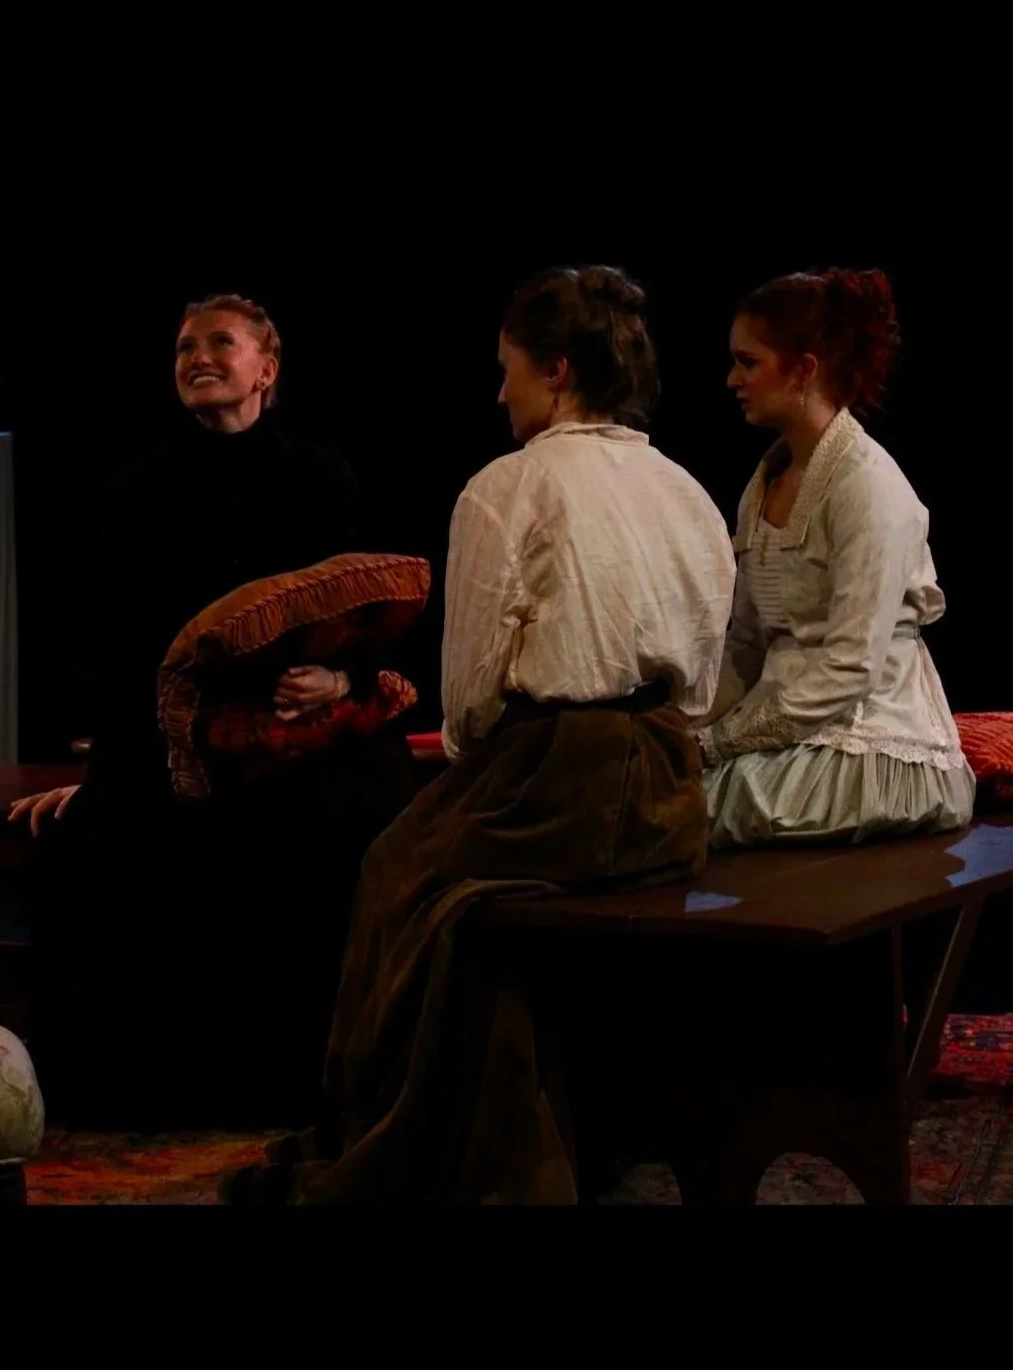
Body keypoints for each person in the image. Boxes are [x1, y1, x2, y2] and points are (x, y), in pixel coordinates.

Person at [225, 265, 736, 1204]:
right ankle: (526, 1132)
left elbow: (467, 698)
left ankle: (397, 1134)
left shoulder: (508, 486)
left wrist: (475, 767)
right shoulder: (685, 487)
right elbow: (707, 672)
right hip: (669, 784)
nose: (499, 392)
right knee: (464, 914)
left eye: (508, 371)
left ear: (557, 368)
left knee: (395, 875)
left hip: (553, 776)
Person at [9, 293, 417, 1126]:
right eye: (184, 347)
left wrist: (338, 685)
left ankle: (327, 1088)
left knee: (357, 824)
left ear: (265, 369)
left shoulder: (324, 478)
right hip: (181, 743)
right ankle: (153, 1097)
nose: (197, 356)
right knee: (104, 840)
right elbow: (118, 651)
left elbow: (369, 622)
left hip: (300, 742)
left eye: (219, 344)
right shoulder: (136, 490)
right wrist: (105, 775)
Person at [695, 267, 975, 847]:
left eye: (749, 362)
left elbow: (850, 666)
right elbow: (747, 642)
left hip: (869, 743)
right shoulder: (764, 483)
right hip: (783, 730)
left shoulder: (866, 485)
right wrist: (690, 726)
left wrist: (722, 742)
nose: (732, 378)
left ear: (804, 369)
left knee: (698, 811)